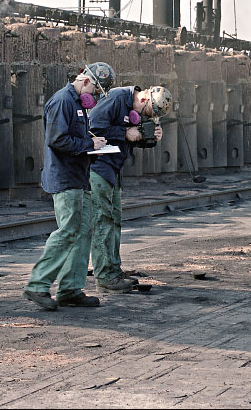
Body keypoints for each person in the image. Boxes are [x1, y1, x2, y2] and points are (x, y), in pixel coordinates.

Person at [22, 62, 115, 311]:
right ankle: (38, 285)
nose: (95, 96)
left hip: (79, 177)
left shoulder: (77, 104)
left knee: (83, 232)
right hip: (65, 179)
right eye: (96, 90)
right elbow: (57, 139)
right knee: (67, 232)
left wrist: (93, 144)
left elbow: (74, 138)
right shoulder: (62, 101)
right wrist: (89, 145)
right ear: (85, 80)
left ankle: (70, 290)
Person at [87, 84, 173, 292]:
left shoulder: (135, 106)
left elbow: (133, 137)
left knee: (114, 220)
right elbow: (92, 127)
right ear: (144, 100)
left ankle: (114, 270)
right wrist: (125, 132)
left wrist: (150, 136)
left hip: (114, 168)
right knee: (102, 221)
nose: (146, 117)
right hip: (98, 167)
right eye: (148, 114)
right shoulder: (117, 98)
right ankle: (105, 276)